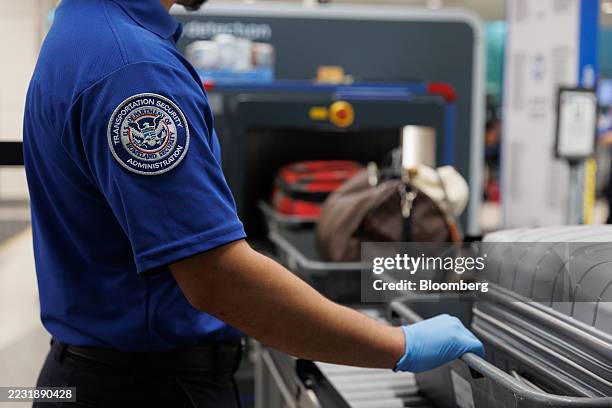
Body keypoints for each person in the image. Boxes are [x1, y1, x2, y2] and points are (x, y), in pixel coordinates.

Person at [23, 0, 484, 406]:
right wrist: (398, 345)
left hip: (91, 373)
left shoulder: (82, 29)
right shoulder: (132, 69)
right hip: (148, 386)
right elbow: (219, 281)